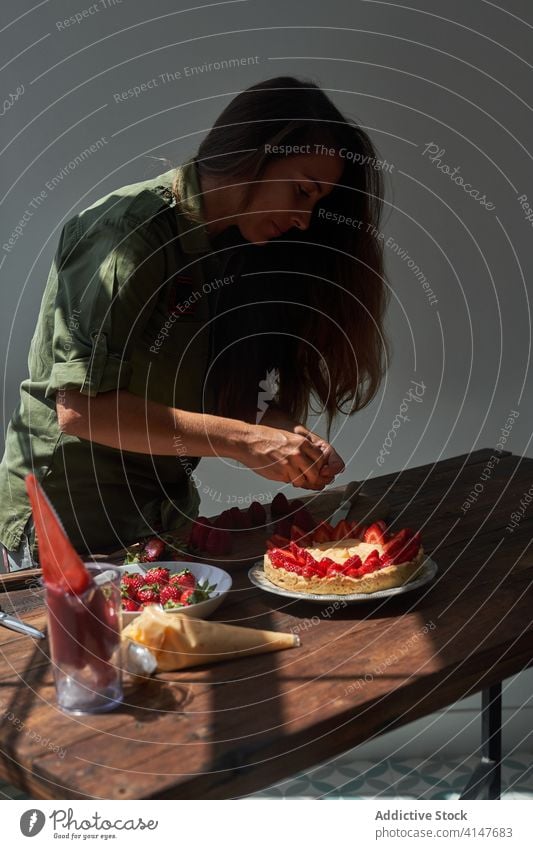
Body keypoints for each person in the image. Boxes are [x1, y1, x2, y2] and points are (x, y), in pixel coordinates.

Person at [0, 75, 390, 571]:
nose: (304, 220)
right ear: (257, 151)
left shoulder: (236, 254)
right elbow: (81, 410)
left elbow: (229, 400)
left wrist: (283, 437)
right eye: (301, 191)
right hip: (65, 535)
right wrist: (246, 441)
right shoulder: (127, 236)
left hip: (161, 528)